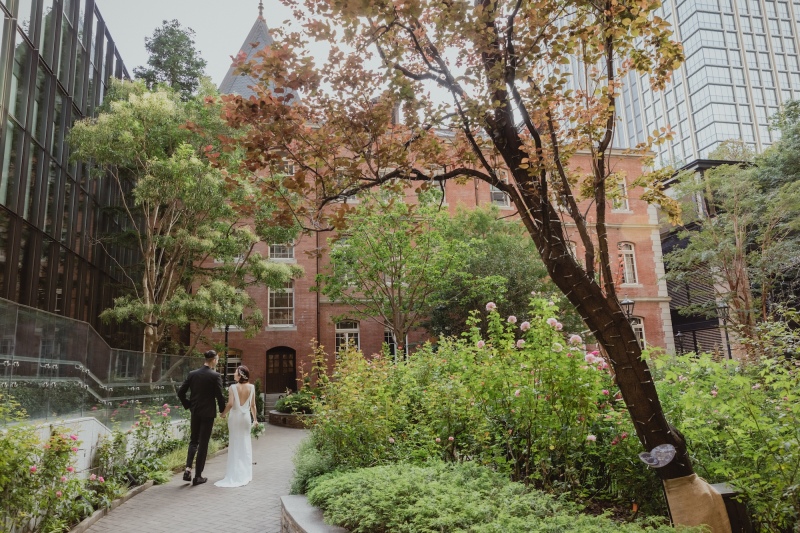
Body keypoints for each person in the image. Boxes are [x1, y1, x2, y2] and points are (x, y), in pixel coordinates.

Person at [178, 350, 225, 486]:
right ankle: (198, 476)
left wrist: (189, 405)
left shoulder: (193, 374)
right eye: (217, 360)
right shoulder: (215, 376)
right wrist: (222, 410)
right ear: (214, 360)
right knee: (203, 444)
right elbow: (219, 396)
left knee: (193, 441)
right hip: (208, 414)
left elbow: (181, 392)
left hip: (195, 412)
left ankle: (187, 469)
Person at [215, 365, 258, 488]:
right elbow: (253, 405)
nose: (233, 374)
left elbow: (230, 404)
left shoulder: (233, 387)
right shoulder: (252, 387)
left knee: (234, 443)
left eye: (235, 372)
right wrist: (255, 419)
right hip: (245, 418)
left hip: (234, 418)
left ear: (240, 375)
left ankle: (234, 472)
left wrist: (223, 414)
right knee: (245, 443)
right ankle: (245, 472)